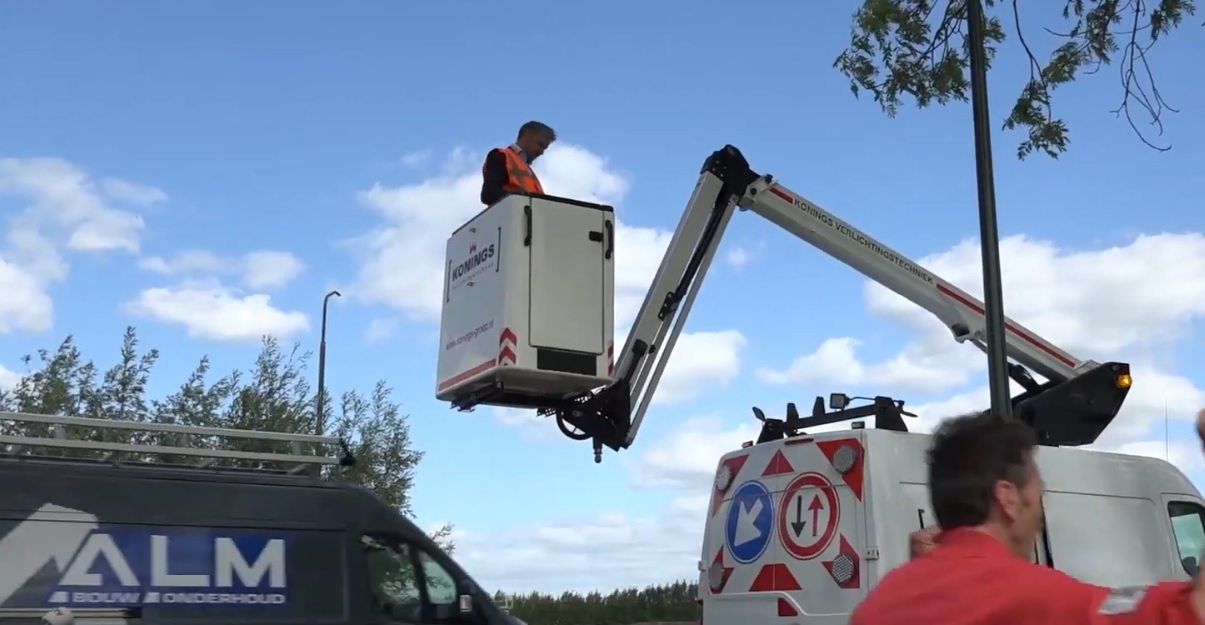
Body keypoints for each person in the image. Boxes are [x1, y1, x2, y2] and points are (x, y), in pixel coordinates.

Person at [850, 410, 1205, 625]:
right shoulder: (1037, 600)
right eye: (1038, 490)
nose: (1041, 507)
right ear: (1007, 498)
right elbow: (1193, 612)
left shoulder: (879, 604)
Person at [480, 121, 555, 206]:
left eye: (544, 149)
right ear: (527, 135)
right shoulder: (501, 155)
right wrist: (518, 197)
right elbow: (489, 194)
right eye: (540, 145)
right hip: (509, 215)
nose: (541, 152)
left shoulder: (529, 172)